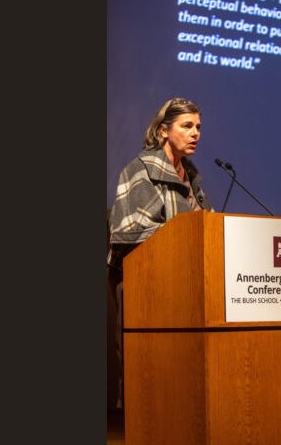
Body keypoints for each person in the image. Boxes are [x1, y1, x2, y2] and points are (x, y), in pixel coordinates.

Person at [106, 96, 213, 409]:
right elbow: (127, 232)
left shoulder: (191, 177)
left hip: (188, 289)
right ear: (164, 131)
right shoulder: (140, 170)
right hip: (148, 289)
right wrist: (183, 237)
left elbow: (204, 229)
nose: (196, 133)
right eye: (187, 126)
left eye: (198, 127)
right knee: (153, 385)